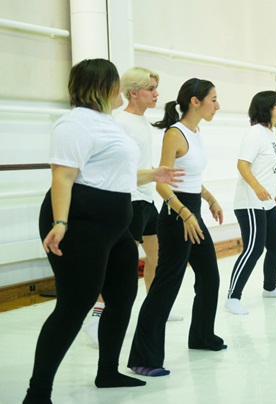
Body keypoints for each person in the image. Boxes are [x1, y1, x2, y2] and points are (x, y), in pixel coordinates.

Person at [23, 58, 183, 403]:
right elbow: (63, 176)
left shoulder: (105, 123)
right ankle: (37, 393)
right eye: (115, 83)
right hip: (80, 223)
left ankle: (107, 371)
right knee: (74, 304)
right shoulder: (73, 124)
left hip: (115, 225)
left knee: (123, 297)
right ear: (104, 87)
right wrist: (60, 222)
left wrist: (152, 175)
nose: (118, 89)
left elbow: (115, 174)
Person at [128, 78, 226, 378]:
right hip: (175, 218)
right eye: (213, 99)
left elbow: (190, 175)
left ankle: (201, 336)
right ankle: (142, 358)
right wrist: (185, 213)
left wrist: (209, 199)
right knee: (165, 287)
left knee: (209, 277)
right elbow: (161, 182)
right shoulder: (175, 133)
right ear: (195, 102)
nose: (217, 105)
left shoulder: (196, 132)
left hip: (192, 213)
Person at [83, 67, 183, 346]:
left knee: (157, 256)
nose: (156, 93)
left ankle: (154, 307)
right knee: (119, 263)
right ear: (133, 93)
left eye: (155, 88)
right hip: (129, 200)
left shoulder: (143, 124)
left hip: (147, 198)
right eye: (150, 89)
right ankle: (96, 319)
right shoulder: (120, 123)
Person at [224, 91, 276, 315]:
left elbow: (270, 169)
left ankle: (269, 288)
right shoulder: (255, 134)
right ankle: (233, 297)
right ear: (267, 108)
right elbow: (242, 165)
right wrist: (258, 188)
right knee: (253, 249)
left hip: (266, 201)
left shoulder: (269, 134)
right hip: (250, 202)